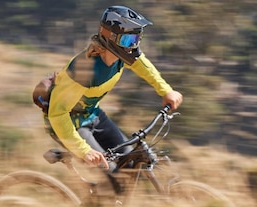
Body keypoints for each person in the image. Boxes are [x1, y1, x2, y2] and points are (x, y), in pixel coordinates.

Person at [35, 6, 183, 174]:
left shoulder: (121, 55)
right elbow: (58, 114)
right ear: (110, 38)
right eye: (128, 41)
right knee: (112, 174)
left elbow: (142, 65)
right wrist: (83, 150)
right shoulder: (84, 69)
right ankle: (99, 197)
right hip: (69, 124)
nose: (133, 46)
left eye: (136, 39)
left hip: (93, 115)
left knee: (130, 161)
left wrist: (165, 91)